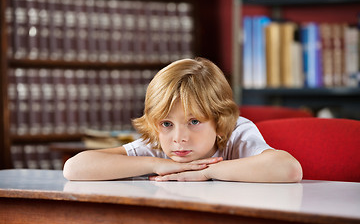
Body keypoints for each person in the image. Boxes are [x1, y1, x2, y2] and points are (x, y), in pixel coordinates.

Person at [63, 57, 302, 182]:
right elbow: (75, 168)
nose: (179, 138)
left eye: (194, 121)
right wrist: (156, 164)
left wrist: (207, 172)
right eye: (167, 123)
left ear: (219, 122)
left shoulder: (237, 133)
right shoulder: (159, 145)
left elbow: (289, 169)